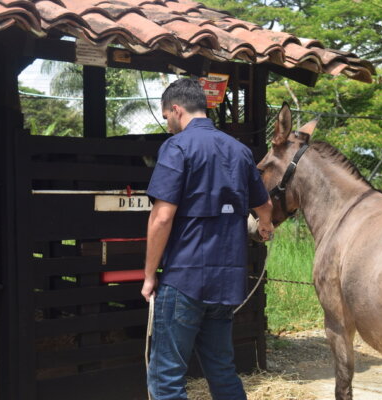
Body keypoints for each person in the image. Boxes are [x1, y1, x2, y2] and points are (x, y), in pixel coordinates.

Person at [141, 78, 274, 400]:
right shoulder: (240, 151)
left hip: (185, 278)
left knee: (166, 376)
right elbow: (265, 205)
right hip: (226, 282)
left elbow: (162, 217)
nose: (167, 125)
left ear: (176, 109)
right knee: (222, 370)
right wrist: (266, 227)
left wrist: (148, 276)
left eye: (166, 117)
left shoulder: (178, 147)